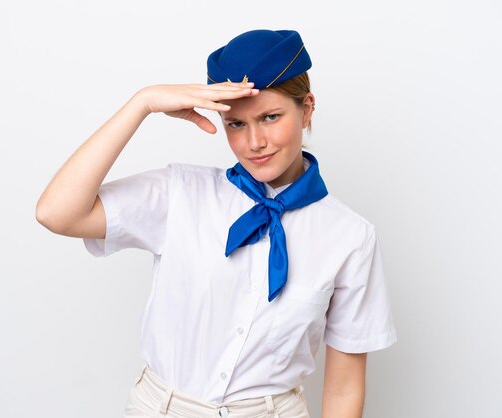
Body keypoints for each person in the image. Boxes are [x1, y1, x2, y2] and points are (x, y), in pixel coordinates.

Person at [36, 29, 397, 418]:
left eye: (270, 117)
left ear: (307, 108)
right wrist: (142, 104)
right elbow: (56, 213)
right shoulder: (181, 194)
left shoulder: (350, 237)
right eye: (236, 124)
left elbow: (344, 389)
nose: (254, 142)